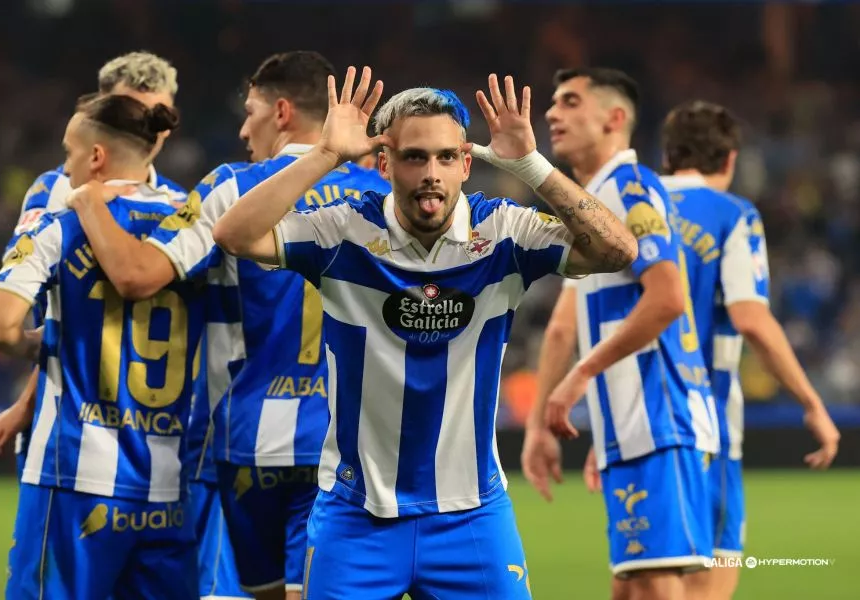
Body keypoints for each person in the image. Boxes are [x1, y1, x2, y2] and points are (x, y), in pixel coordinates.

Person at [211, 65, 636, 599]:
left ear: (465, 163)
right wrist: (325, 155)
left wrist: (531, 165)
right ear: (385, 164)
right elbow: (232, 234)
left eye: (445, 157)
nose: (431, 172)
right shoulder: (345, 231)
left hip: (472, 515)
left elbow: (618, 251)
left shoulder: (503, 233)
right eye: (414, 157)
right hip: (356, 515)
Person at [60, 51, 389, 600]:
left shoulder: (234, 185)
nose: (243, 127)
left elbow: (138, 276)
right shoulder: (381, 193)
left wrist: (88, 201)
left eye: (251, 110)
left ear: (281, 111)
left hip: (248, 449)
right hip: (353, 445)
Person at [0, 95, 203, 600]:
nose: (65, 166)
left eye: (69, 153)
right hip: (171, 484)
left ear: (96, 157)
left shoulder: (59, 224)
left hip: (74, 478)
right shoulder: (195, 226)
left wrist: (35, 343)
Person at [523, 67, 718, 600]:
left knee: (655, 583)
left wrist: (582, 376)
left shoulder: (629, 189)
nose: (551, 113)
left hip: (660, 419)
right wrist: (541, 422)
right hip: (632, 426)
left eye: (568, 101)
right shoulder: (591, 202)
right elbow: (564, 323)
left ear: (613, 119)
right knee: (630, 589)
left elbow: (668, 297)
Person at [659, 100, 840, 600]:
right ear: (731, 160)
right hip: (704, 423)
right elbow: (751, 319)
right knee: (706, 585)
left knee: (645, 582)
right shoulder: (732, 215)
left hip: (633, 424)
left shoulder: (629, 207)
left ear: (669, 153)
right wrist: (811, 403)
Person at [0, 51, 185, 475]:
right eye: (132, 109)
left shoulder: (180, 202)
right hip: (73, 414)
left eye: (157, 112)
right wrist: (30, 398)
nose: (147, 125)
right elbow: (50, 317)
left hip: (158, 430)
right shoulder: (57, 190)